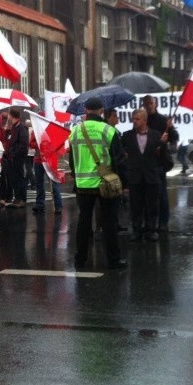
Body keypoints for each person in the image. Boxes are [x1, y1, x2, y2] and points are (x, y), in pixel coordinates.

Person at [68, 96, 127, 269]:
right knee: (110, 221)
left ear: (86, 110)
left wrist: (76, 174)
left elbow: (72, 159)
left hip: (83, 184)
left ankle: (80, 259)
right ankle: (113, 259)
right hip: (105, 183)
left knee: (84, 221)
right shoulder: (108, 131)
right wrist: (122, 182)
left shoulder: (76, 131)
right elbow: (119, 160)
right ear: (102, 110)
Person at [121, 108, 165, 241]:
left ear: (145, 120)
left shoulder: (156, 135)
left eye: (137, 119)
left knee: (152, 205)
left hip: (151, 176)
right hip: (135, 176)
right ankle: (136, 230)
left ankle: (151, 230)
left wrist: (162, 144)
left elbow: (163, 156)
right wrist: (125, 156)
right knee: (135, 206)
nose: (134, 122)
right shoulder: (127, 136)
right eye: (133, 119)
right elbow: (120, 151)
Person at [142, 95, 178, 232]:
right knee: (147, 195)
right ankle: (149, 222)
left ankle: (163, 222)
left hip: (159, 163)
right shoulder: (143, 121)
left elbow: (174, 137)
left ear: (155, 104)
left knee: (161, 194)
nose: (149, 105)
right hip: (146, 162)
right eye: (147, 104)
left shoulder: (163, 120)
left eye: (151, 103)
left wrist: (170, 129)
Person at [29, 128, 62, 214]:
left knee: (54, 182)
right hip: (38, 159)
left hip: (51, 159)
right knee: (39, 183)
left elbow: (58, 143)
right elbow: (31, 144)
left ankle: (58, 205)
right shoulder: (35, 129)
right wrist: (39, 144)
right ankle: (40, 203)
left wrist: (47, 144)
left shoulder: (52, 129)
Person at [3, 106, 29, 208]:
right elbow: (10, 140)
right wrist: (7, 132)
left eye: (9, 115)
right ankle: (17, 197)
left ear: (11, 116)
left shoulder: (21, 127)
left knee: (19, 178)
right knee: (13, 179)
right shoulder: (13, 127)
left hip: (17, 158)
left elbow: (23, 144)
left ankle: (22, 199)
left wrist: (14, 154)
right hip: (10, 158)